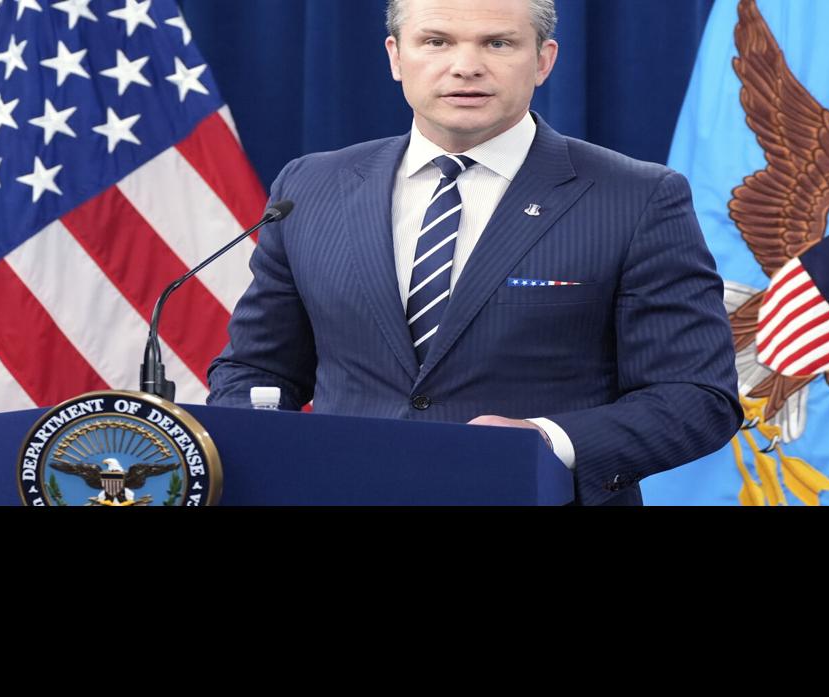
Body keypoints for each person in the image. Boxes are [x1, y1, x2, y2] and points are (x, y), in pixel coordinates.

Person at [207, 0, 741, 505]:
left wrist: (544, 441)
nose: (466, 66)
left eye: (498, 43)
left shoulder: (638, 197)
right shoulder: (309, 187)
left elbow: (696, 397)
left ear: (543, 60)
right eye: (436, 41)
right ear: (396, 56)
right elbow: (256, 368)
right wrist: (270, 450)